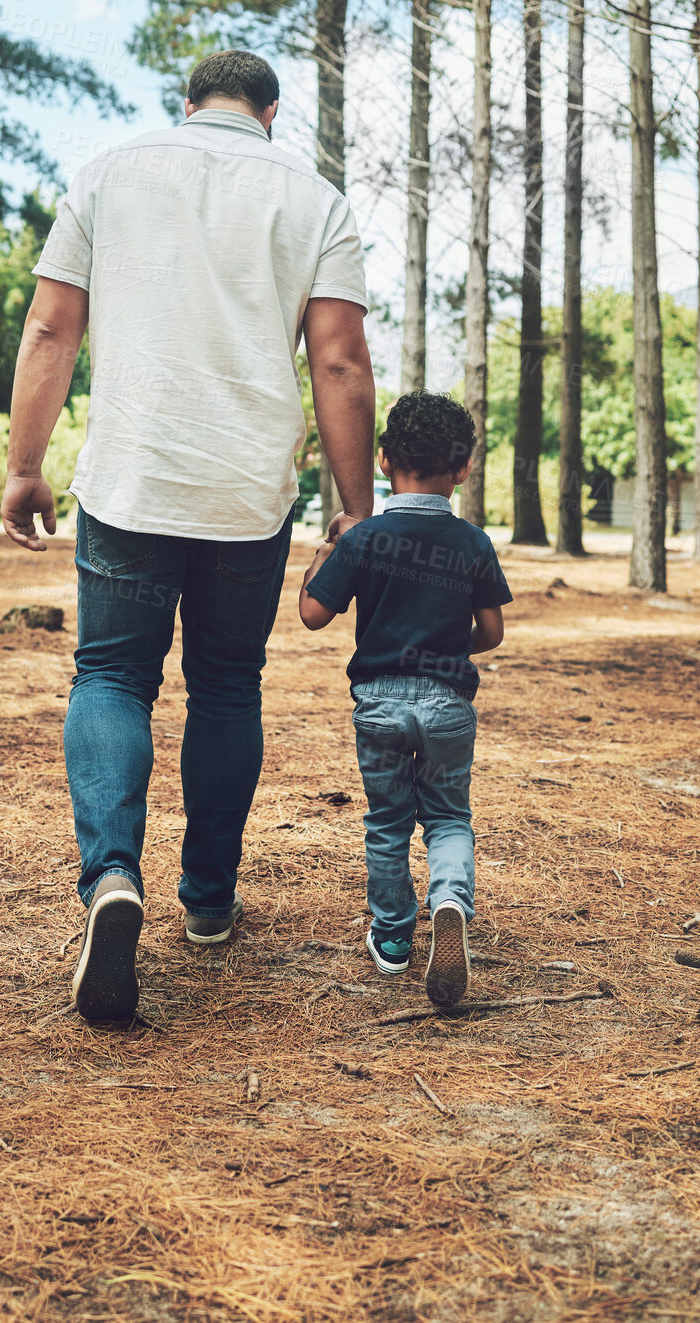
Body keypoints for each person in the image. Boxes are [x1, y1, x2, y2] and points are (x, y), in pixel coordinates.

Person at [1, 49, 375, 1021]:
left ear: (188, 102)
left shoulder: (111, 171)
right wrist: (358, 506)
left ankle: (111, 877)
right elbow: (337, 362)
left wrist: (24, 466)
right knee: (225, 684)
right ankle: (207, 903)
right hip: (247, 493)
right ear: (270, 111)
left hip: (132, 478)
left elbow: (51, 330)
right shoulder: (316, 200)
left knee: (114, 676)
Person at [298, 392, 512, 1007]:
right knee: (447, 817)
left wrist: (329, 547)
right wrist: (451, 649)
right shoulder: (473, 543)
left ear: (384, 459)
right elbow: (492, 633)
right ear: (463, 468)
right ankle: (448, 901)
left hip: (380, 707)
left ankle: (392, 938)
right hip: (448, 704)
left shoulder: (367, 539)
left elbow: (313, 614)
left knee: (388, 821)